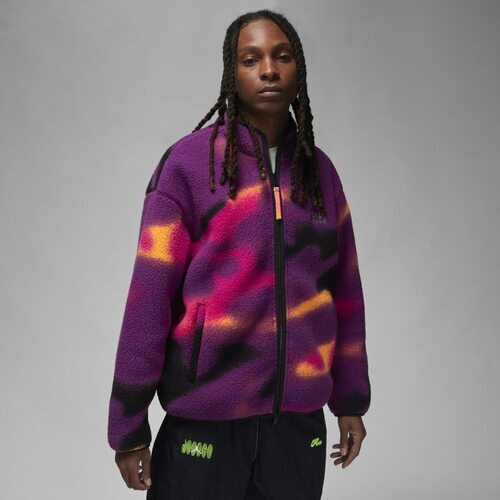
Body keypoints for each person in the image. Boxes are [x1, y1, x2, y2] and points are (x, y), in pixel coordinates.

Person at [107, 9, 371, 499]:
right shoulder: (189, 167)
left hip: (296, 426)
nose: (268, 70)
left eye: (282, 56)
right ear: (232, 72)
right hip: (203, 420)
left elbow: (345, 295)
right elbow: (149, 300)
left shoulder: (320, 175)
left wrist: (350, 400)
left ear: (299, 68)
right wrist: (128, 425)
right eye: (251, 59)